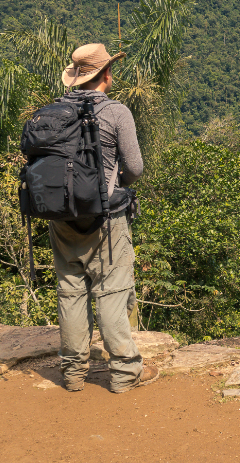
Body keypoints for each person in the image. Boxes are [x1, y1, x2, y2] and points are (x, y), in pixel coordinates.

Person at [49, 43, 158, 393]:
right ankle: (125, 374)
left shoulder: (53, 111)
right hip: (107, 220)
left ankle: (73, 374)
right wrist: (114, 187)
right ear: (106, 74)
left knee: (70, 293)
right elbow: (136, 168)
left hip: (62, 218)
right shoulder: (116, 112)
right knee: (111, 291)